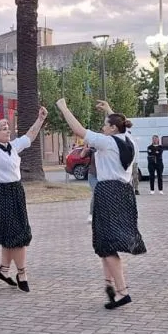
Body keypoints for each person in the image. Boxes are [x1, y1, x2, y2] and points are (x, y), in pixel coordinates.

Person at [56, 99, 146, 310]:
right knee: (108, 243)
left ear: (113, 128)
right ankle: (110, 286)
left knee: (106, 244)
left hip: (108, 192)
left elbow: (78, 129)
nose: (103, 128)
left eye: (106, 124)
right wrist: (109, 110)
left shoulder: (107, 141)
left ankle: (122, 291)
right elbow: (121, 126)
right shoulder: (130, 140)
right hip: (124, 193)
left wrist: (64, 108)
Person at [0, 107, 48, 291]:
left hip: (16, 191)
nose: (8, 130)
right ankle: (22, 273)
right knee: (16, 235)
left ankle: (4, 269)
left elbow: (30, 136)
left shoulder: (13, 146)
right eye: (3, 128)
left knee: (14, 233)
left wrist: (40, 119)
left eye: (8, 127)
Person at [82, 145, 98, 223]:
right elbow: (82, 155)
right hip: (93, 175)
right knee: (96, 193)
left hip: (103, 176)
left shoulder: (107, 150)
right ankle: (91, 214)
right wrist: (84, 150)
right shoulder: (93, 150)